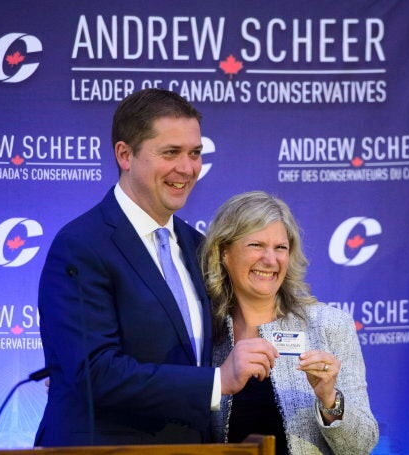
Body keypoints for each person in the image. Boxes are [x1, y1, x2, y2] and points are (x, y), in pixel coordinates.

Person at [34, 89, 277, 447]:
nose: (188, 168)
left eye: (195, 153)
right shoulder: (81, 246)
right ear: (125, 155)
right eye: (170, 153)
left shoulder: (196, 246)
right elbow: (94, 373)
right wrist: (217, 381)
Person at [200, 191, 379, 455]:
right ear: (224, 252)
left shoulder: (329, 325)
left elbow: (360, 446)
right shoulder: (203, 333)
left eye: (280, 248)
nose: (270, 260)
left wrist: (329, 399)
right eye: (256, 245)